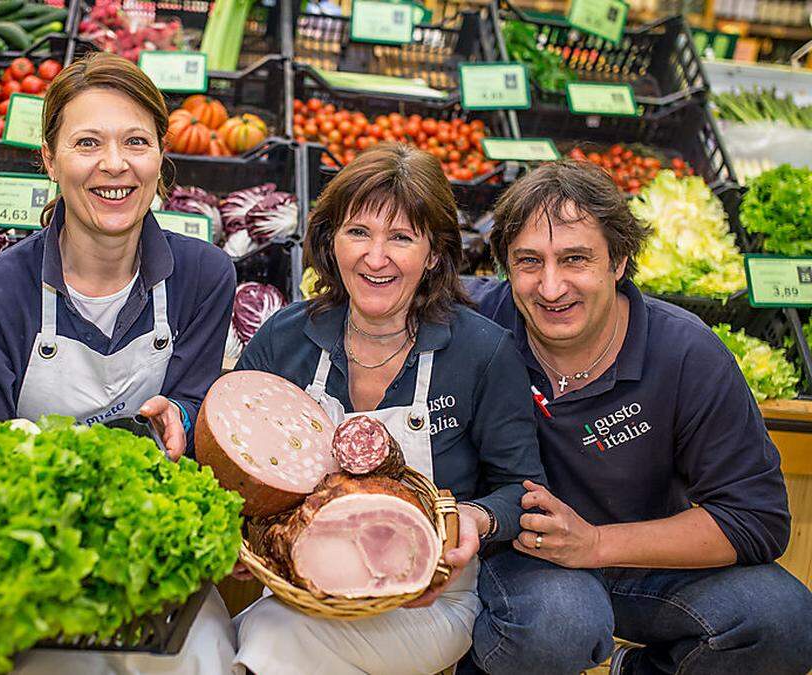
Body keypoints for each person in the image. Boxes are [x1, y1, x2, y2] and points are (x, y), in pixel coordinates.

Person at [0, 52, 238, 672]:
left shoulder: (205, 276)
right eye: (87, 143)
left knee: (204, 657)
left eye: (136, 141)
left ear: (161, 157)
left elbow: (192, 397)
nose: (115, 165)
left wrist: (183, 416)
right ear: (50, 160)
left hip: (148, 540)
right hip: (31, 546)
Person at [462, 160, 812, 675]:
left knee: (784, 620)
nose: (551, 287)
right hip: (517, 558)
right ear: (505, 267)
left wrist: (598, 544)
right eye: (529, 261)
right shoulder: (474, 324)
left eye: (576, 259)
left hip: (641, 561)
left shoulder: (687, 353)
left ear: (619, 261)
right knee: (558, 625)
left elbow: (753, 518)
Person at [231, 142, 546, 675]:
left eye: (400, 237)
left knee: (265, 637)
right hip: (301, 584)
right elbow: (235, 465)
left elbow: (523, 489)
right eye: (359, 233)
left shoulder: (483, 353)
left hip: (426, 599)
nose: (376, 258)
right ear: (331, 243)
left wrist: (478, 517)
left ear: (435, 254)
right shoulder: (284, 340)